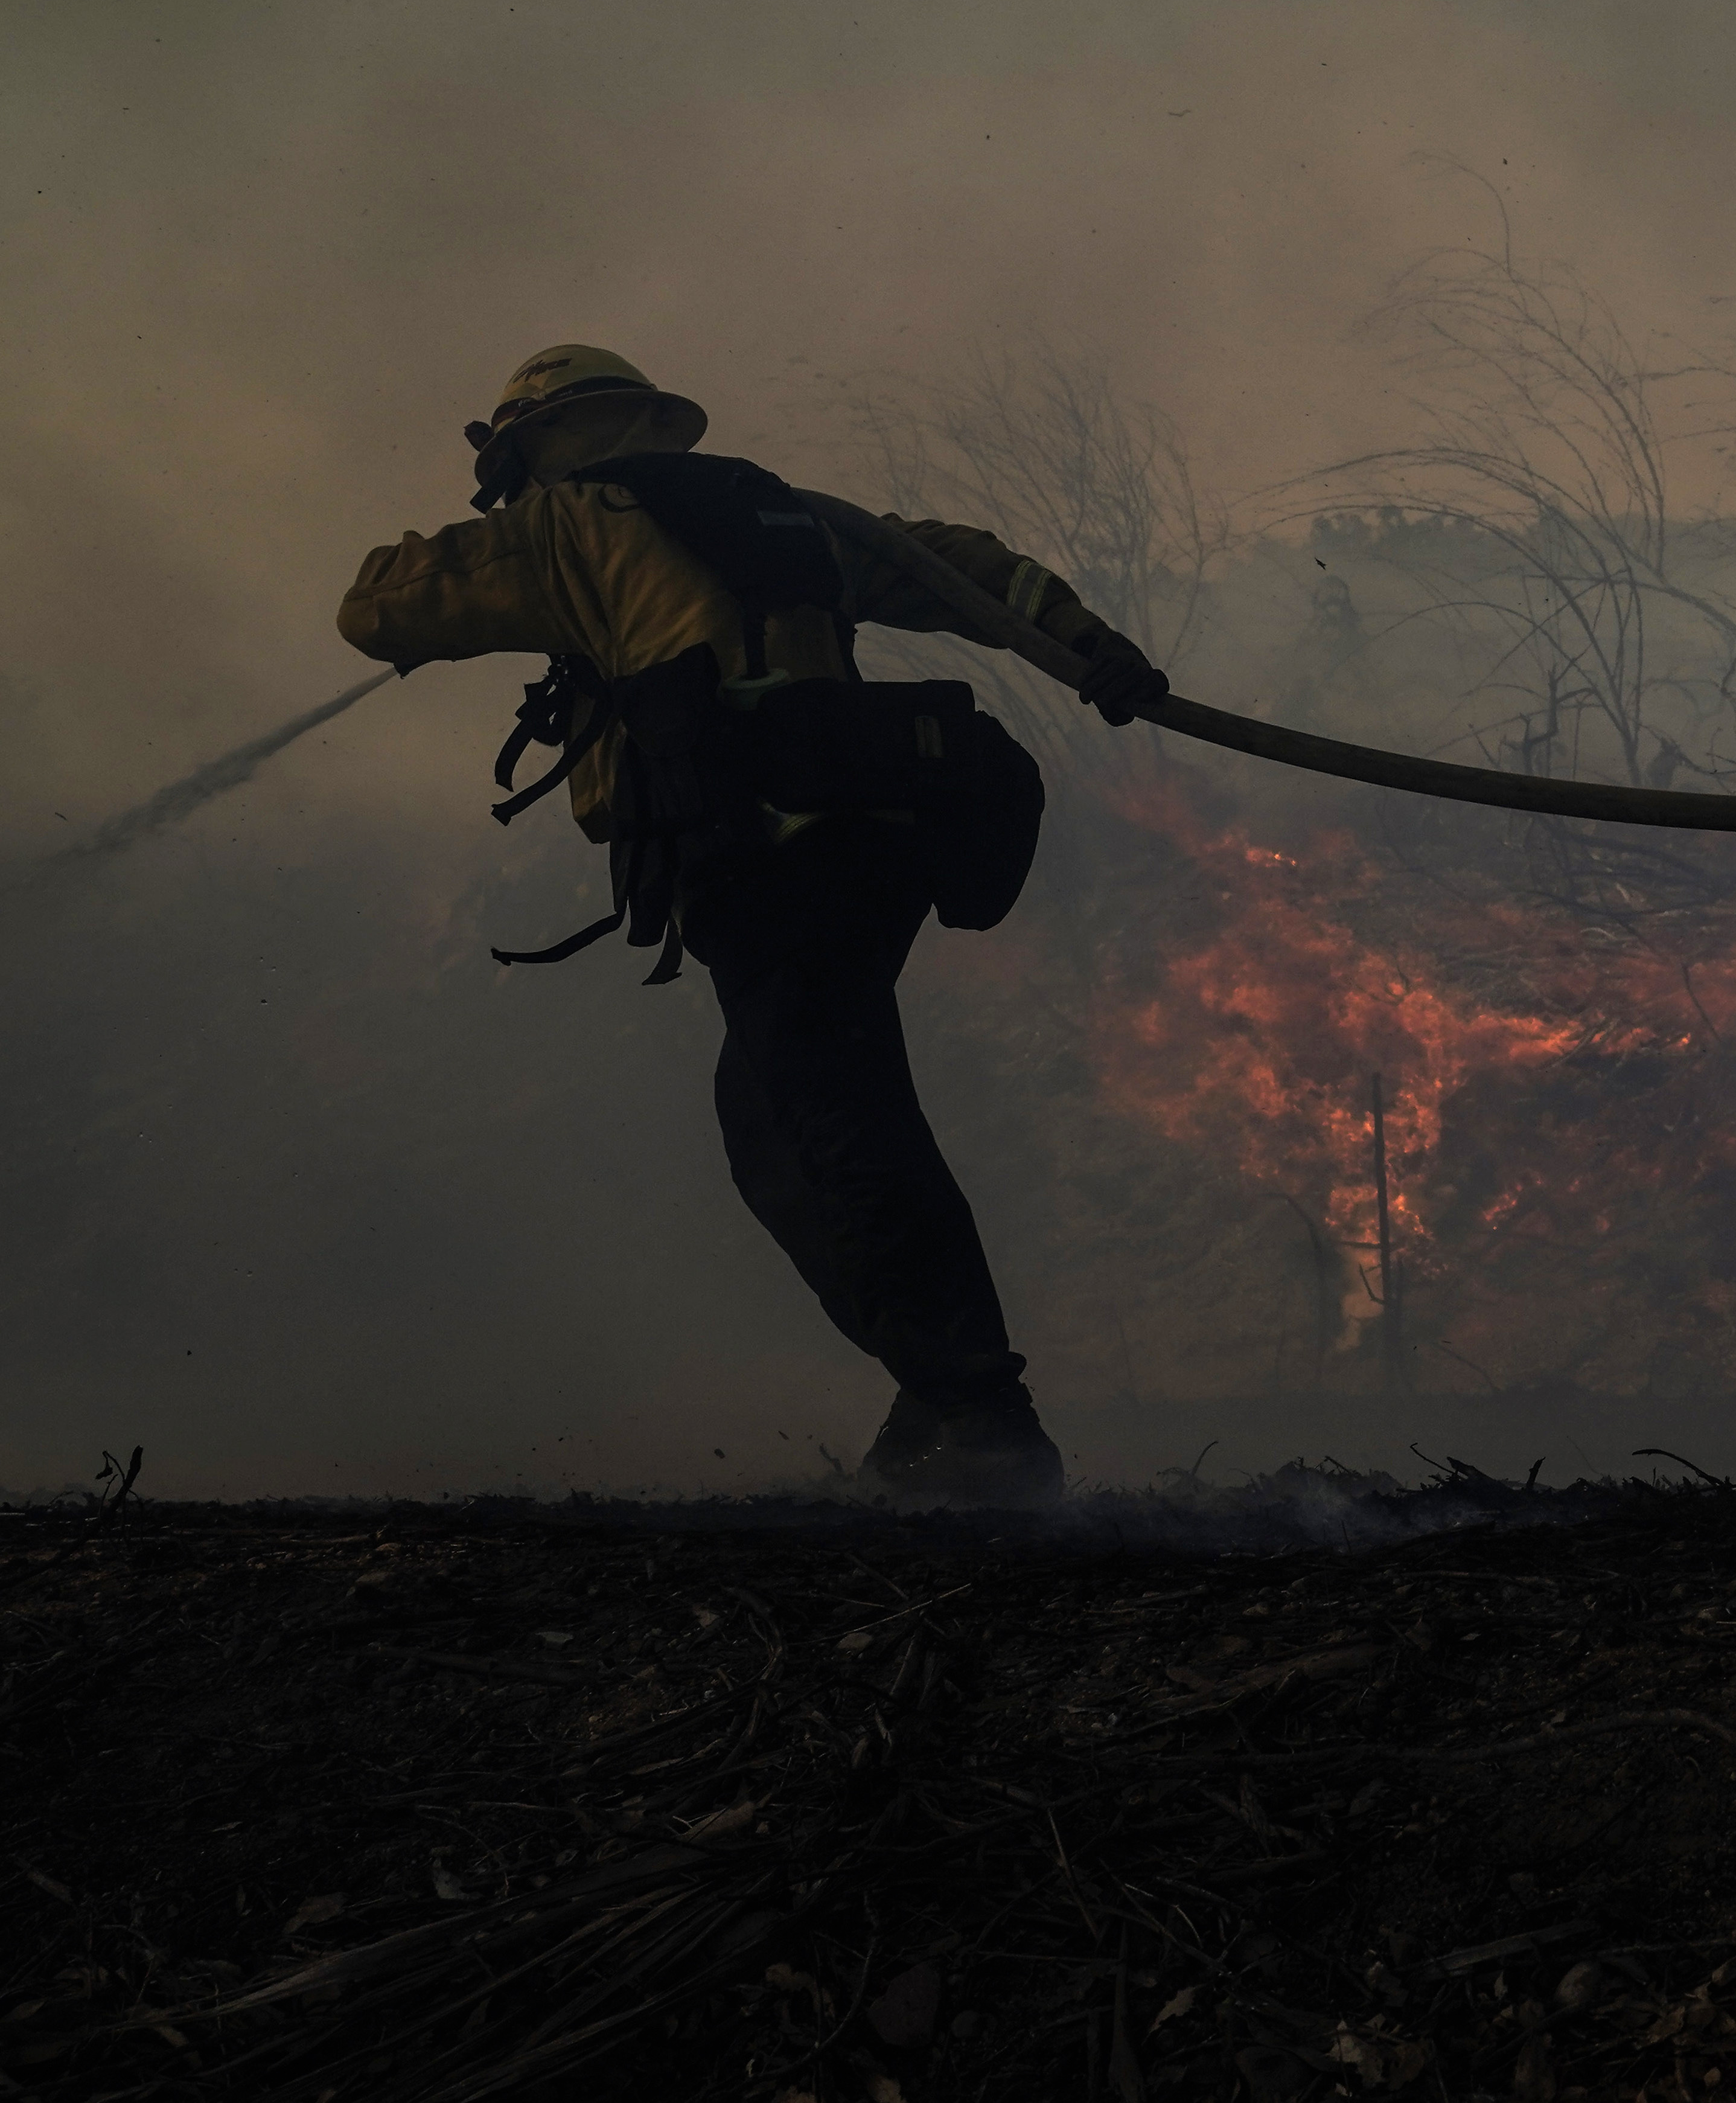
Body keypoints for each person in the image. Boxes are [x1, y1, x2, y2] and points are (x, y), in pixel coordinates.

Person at [336, 344, 1167, 1506]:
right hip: (869, 842)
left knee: (836, 1122)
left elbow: (377, 604)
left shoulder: (568, 524)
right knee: (774, 1133)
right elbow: (965, 570)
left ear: (531, 445)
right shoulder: (783, 509)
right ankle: (935, 1394)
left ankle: (982, 1415)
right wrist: (1091, 650)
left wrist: (508, 532)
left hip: (761, 855)